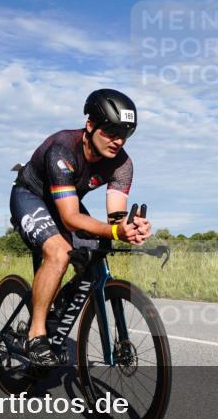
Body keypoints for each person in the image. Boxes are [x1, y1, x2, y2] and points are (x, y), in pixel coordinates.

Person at [10, 89, 152, 368]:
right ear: (90, 126)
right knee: (59, 252)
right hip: (31, 197)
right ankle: (36, 335)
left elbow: (115, 216)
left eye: (126, 133)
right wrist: (113, 231)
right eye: (111, 131)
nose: (119, 140)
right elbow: (71, 218)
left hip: (67, 203)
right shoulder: (62, 148)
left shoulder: (122, 163)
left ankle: (56, 309)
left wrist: (128, 226)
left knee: (97, 254)